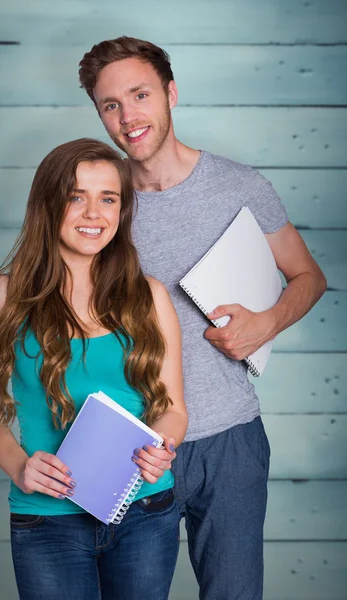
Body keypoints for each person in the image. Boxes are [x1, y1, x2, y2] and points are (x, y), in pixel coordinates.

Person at [78, 37, 327, 600]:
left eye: (139, 95)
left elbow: (308, 276)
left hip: (230, 442)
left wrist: (267, 321)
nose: (127, 117)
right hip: (133, 441)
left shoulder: (241, 187)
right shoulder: (101, 201)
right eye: (110, 105)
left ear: (170, 93)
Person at [0, 138, 187, 600]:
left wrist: (163, 445)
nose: (94, 213)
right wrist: (19, 467)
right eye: (76, 196)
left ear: (121, 210)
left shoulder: (149, 297)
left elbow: (173, 410)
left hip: (146, 512)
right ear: (48, 204)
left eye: (108, 198)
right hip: (46, 517)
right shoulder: (0, 297)